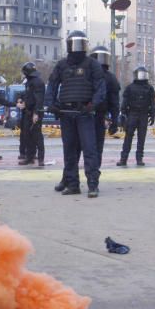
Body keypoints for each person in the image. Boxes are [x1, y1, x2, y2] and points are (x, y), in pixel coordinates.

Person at [47, 30, 107, 197]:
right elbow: (52, 85)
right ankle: (73, 184)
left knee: (89, 150)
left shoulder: (92, 65)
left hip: (84, 113)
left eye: (80, 44)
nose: (77, 48)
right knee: (70, 151)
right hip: (66, 112)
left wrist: (92, 105)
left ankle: (93, 184)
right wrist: (52, 104)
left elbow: (100, 88)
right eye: (74, 43)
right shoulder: (61, 65)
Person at [116, 66, 155, 166]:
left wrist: (153, 114)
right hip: (133, 114)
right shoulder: (131, 87)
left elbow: (152, 103)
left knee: (138, 138)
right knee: (130, 137)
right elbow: (124, 102)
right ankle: (126, 158)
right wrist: (123, 114)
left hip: (141, 114)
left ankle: (134, 159)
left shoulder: (148, 88)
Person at [89, 46, 121, 163]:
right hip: (99, 115)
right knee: (97, 145)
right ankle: (94, 170)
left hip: (86, 114)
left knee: (82, 145)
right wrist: (114, 121)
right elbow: (115, 104)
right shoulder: (111, 78)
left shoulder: (88, 74)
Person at [18, 61, 46, 166]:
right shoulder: (29, 82)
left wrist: (36, 113)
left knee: (37, 136)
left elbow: (39, 99)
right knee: (27, 136)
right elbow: (28, 95)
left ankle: (41, 159)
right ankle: (29, 157)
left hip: (35, 112)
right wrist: (21, 100)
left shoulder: (37, 82)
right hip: (27, 112)